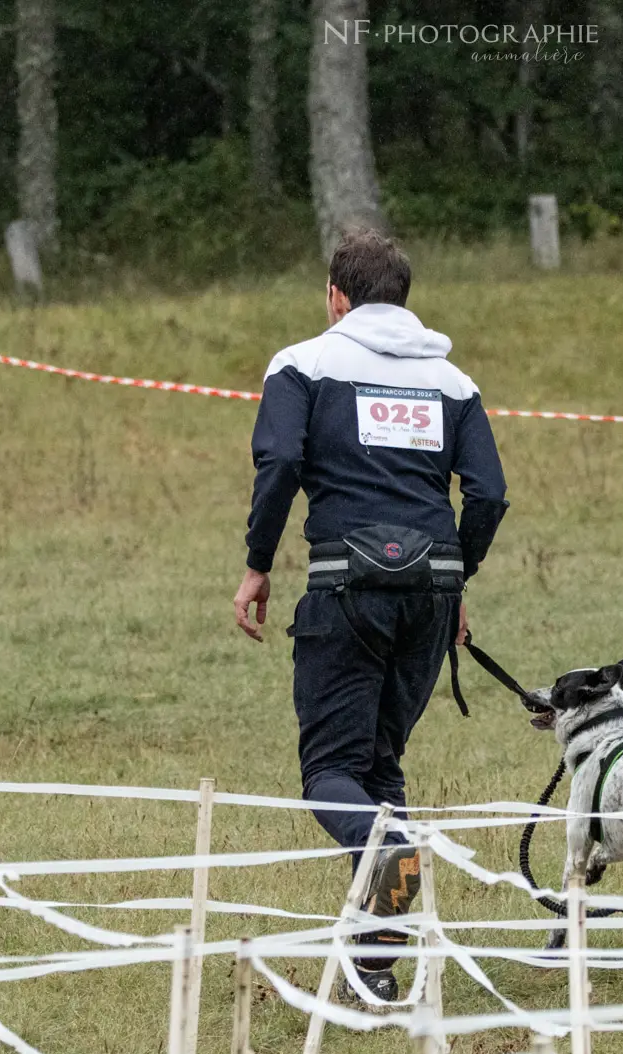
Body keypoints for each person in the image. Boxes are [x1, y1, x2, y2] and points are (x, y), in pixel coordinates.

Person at [233, 229, 508, 1003]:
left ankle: (395, 852)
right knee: (380, 768)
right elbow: (488, 494)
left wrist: (258, 562)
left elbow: (281, 463)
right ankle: (376, 961)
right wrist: (457, 581)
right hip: (429, 597)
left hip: (344, 592)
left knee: (331, 773)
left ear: (336, 297)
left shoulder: (303, 364)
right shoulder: (452, 382)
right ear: (404, 299)